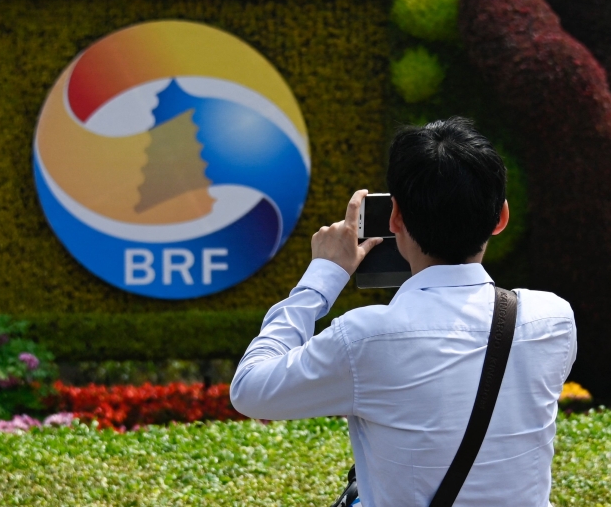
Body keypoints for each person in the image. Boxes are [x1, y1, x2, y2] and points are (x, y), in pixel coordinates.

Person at [230, 117, 577, 507]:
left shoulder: (365, 338)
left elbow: (249, 390)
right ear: (501, 218)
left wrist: (322, 276)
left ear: (395, 218)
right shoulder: (553, 320)